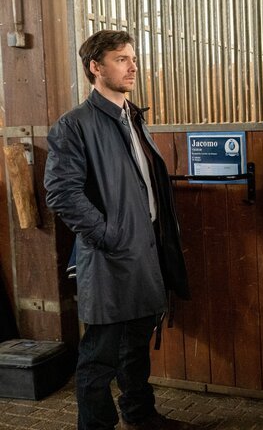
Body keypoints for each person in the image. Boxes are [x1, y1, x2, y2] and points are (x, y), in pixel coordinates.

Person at [44, 30, 190, 430]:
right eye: (122, 59)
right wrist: (109, 236)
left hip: (146, 252)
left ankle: (140, 415)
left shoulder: (132, 116)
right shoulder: (74, 125)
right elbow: (61, 193)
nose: (133, 66)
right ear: (96, 67)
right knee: (99, 356)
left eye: (132, 58)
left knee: (137, 346)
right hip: (111, 257)